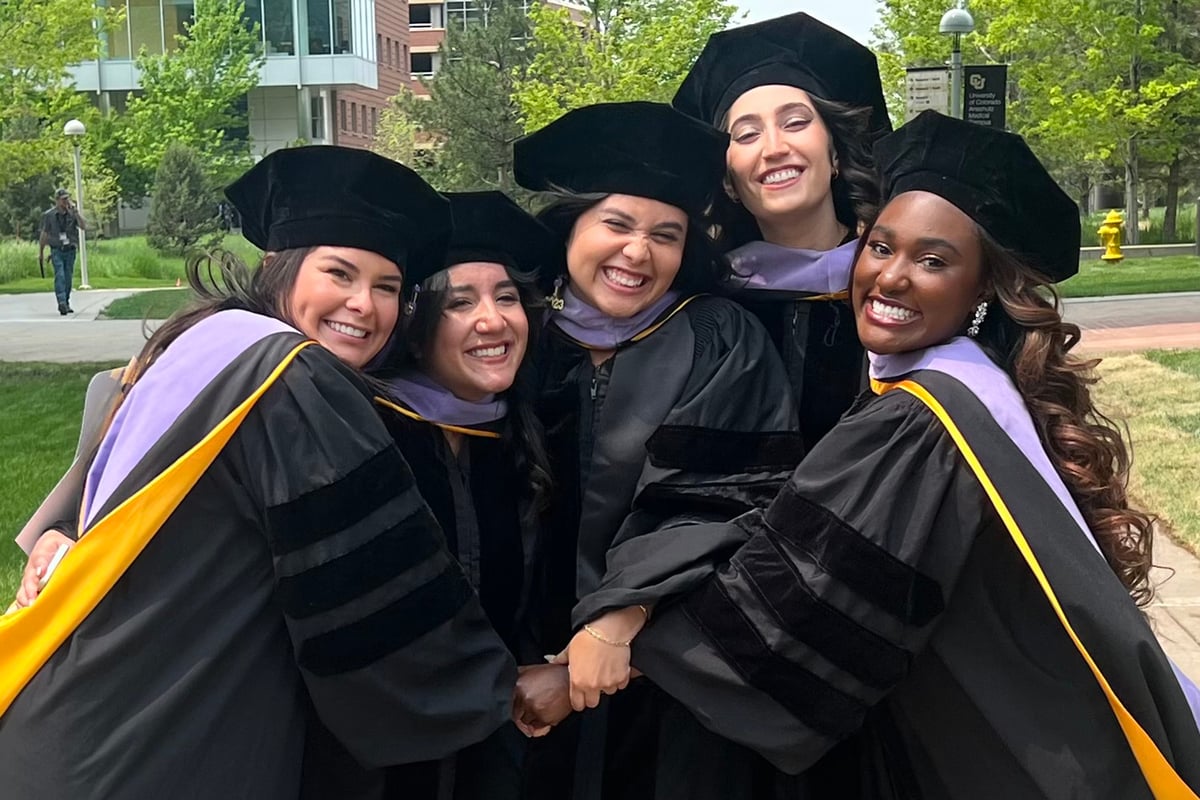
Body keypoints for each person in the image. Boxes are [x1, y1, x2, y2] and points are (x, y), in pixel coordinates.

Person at [629, 111, 1200, 799]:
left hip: (1018, 754)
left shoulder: (918, 420)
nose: (891, 277)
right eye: (880, 246)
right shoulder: (972, 384)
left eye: (933, 261)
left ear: (981, 289)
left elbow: (802, 603)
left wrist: (621, 649)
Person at [0, 146, 516, 798]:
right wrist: (497, 687)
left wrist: (58, 534)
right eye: (339, 273)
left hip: (68, 715)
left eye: (387, 287)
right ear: (278, 267)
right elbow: (364, 597)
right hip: (150, 752)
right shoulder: (294, 378)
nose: (364, 304)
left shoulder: (199, 339)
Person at [512, 101, 803, 800]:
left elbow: (725, 499)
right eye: (616, 225)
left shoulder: (719, 338)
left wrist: (619, 619)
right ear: (571, 226)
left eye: (665, 235)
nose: (638, 253)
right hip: (513, 677)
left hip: (663, 674)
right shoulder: (515, 335)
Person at [300, 190, 561, 800]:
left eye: (507, 298)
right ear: (415, 331)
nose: (493, 321)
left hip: (493, 743)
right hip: (363, 755)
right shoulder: (359, 432)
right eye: (460, 303)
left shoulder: (528, 437)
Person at [673, 12, 891, 449]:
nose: (774, 148)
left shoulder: (895, 290)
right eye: (746, 134)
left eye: (795, 123)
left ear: (835, 154)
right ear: (728, 181)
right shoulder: (700, 308)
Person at [40, 187, 87, 316]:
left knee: (67, 277)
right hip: (57, 250)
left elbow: (83, 226)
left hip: (70, 250)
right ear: (57, 200)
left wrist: (76, 213)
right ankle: (61, 301)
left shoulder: (72, 214)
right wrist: (41, 252)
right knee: (59, 275)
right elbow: (44, 234)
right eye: (63, 199)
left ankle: (65, 302)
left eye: (67, 198)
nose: (66, 201)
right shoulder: (49, 215)